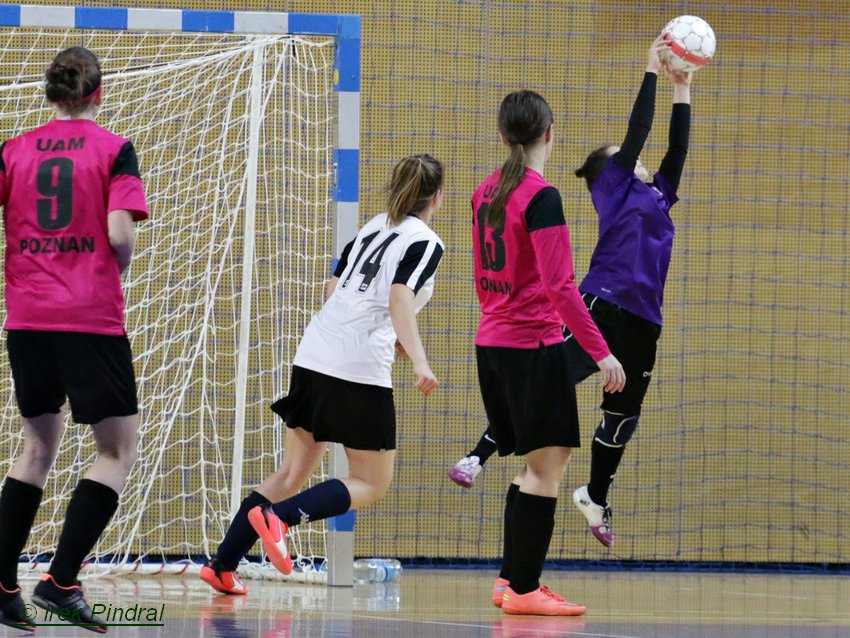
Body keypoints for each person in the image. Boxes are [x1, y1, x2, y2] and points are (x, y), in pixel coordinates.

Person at [453, 35, 691, 550]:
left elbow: (676, 150)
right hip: (601, 303)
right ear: (611, 172)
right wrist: (651, 71)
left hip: (645, 319)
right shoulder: (613, 188)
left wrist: (683, 89)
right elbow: (638, 133)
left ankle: (596, 495)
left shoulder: (658, 197)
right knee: (549, 376)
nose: (636, 159)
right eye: (624, 157)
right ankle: (479, 453)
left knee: (623, 414)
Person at [200, 154, 445, 595]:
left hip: (314, 352)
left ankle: (222, 565)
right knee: (371, 482)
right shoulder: (426, 240)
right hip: (357, 368)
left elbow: (334, 289)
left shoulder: (372, 227)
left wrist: (390, 335)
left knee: (290, 473)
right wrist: (420, 359)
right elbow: (398, 297)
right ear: (437, 198)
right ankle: (279, 519)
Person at [0, 47, 147, 633]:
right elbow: (119, 235)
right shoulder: (114, 149)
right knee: (117, 451)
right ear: (98, 93)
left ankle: (2, 585)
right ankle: (61, 580)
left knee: (37, 447)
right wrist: (115, 267)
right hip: (88, 316)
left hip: (27, 317)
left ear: (51, 93)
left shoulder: (13, 150)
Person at [472, 89, 625, 617]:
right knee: (548, 471)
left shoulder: (485, 190)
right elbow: (561, 287)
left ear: (502, 136)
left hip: (492, 343)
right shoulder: (542, 196)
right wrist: (601, 353)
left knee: (534, 467)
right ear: (550, 134)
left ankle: (510, 581)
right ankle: (524, 589)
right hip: (531, 347)